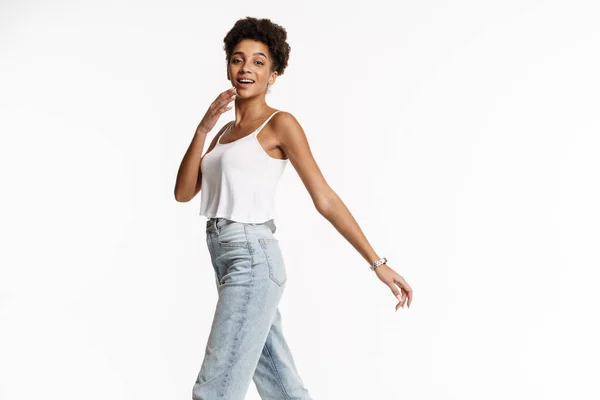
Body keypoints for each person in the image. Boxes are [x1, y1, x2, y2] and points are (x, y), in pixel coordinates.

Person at [174, 16, 413, 400]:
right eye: (238, 60)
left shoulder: (279, 124)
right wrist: (203, 129)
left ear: (273, 74)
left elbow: (325, 198)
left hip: (252, 257)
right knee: (281, 386)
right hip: (226, 258)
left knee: (215, 389)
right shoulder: (221, 133)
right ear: (228, 67)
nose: (246, 68)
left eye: (258, 61)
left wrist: (377, 263)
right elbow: (184, 193)